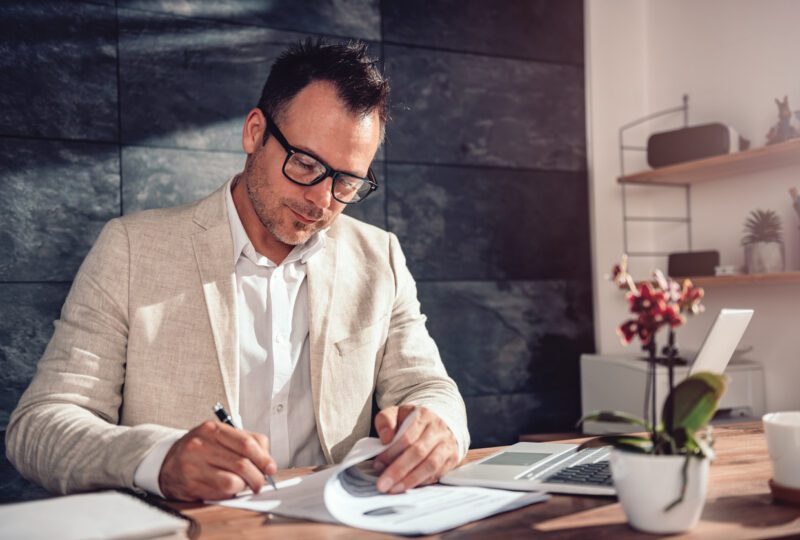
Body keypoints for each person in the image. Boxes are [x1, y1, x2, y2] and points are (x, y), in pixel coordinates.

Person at [6, 39, 469, 501]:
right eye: (305, 164)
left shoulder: (379, 256)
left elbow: (427, 386)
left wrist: (437, 427)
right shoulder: (132, 249)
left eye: (347, 181)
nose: (323, 200)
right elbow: (41, 425)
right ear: (254, 133)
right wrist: (160, 458)